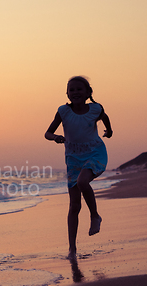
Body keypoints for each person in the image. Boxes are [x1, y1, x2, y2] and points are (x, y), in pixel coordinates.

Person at [45, 76, 113, 261]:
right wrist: (56, 137)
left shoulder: (96, 109)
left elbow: (105, 118)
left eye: (79, 89)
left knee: (83, 181)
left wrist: (109, 130)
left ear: (88, 93)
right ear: (67, 93)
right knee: (74, 205)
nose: (75, 92)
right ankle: (72, 249)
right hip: (73, 158)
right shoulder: (63, 111)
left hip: (94, 153)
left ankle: (95, 216)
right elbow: (47, 133)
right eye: (71, 90)